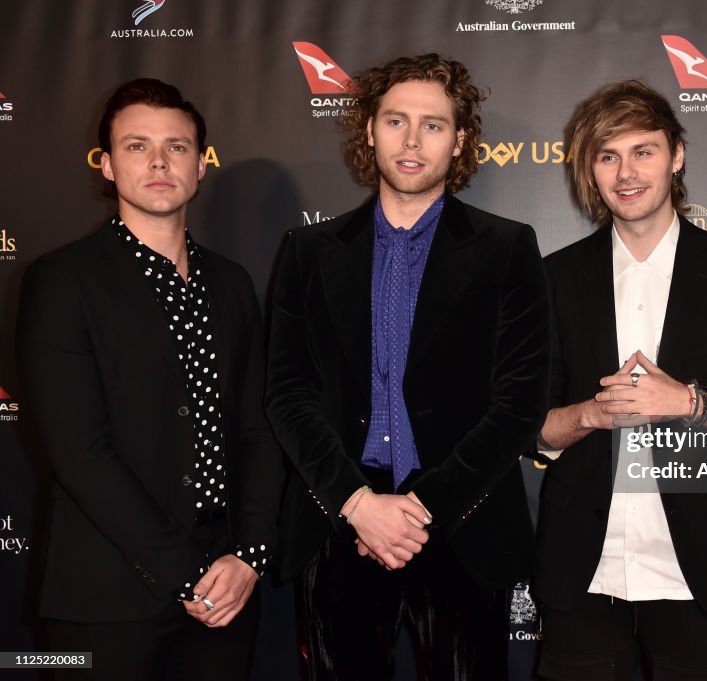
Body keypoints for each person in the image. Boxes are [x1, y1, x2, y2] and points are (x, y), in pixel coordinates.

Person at [265, 53, 549, 680]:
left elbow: (521, 401)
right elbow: (287, 393)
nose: (412, 140)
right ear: (369, 129)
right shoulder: (308, 252)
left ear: (460, 140)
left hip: (462, 519)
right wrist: (358, 504)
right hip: (338, 520)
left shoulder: (509, 248)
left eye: (433, 124)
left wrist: (417, 510)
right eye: (396, 120)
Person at [16, 78, 281, 681]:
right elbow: (79, 453)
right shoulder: (62, 281)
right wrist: (187, 573)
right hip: (109, 593)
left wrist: (248, 555)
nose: (160, 161)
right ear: (107, 166)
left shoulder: (232, 282)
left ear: (200, 165)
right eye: (138, 146)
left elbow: (258, 428)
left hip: (228, 583)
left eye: (177, 146)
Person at [534, 79, 707, 681]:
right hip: (582, 575)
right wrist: (590, 415)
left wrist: (686, 402)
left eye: (642, 151)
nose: (626, 172)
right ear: (589, 170)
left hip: (701, 575)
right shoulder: (556, 277)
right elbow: (531, 428)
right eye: (607, 156)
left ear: (676, 154)